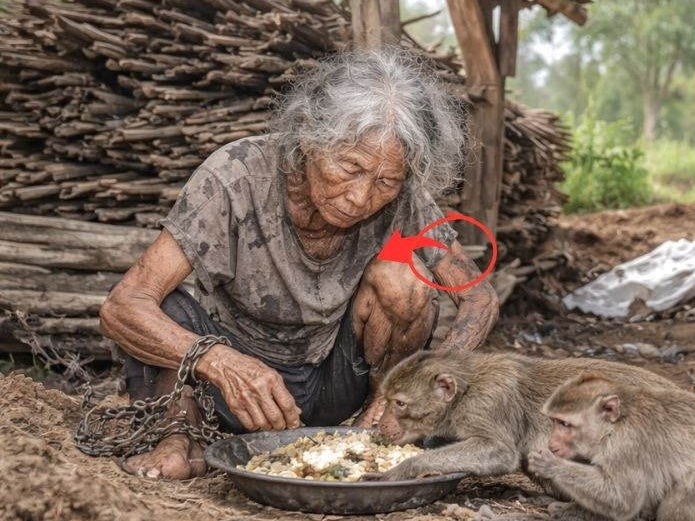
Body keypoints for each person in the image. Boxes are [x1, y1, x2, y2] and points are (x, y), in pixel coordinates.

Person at [99, 48, 501, 480]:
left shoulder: (403, 200)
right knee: (161, 307)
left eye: (385, 181)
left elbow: (479, 299)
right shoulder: (236, 176)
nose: (361, 197)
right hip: (225, 389)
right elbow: (122, 306)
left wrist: (417, 384)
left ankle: (375, 433)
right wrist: (220, 361)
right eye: (350, 168)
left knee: (402, 280)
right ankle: (178, 438)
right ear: (310, 137)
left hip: (331, 381)